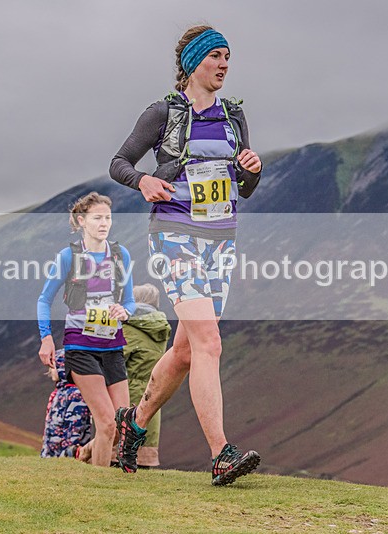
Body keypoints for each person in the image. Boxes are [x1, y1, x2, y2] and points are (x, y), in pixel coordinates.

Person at [110, 25, 263, 485]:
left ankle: (132, 424)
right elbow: (119, 163)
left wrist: (251, 171)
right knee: (209, 343)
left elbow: (245, 188)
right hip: (175, 235)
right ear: (195, 62)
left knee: (184, 351)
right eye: (216, 56)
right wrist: (144, 181)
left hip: (221, 240)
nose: (224, 65)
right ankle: (221, 454)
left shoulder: (234, 117)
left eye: (228, 58)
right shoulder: (163, 113)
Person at [37, 192, 136, 467]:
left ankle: (86, 454)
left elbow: (129, 300)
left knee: (122, 424)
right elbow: (44, 300)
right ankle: (99, 487)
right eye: (97, 218)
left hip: (113, 344)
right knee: (105, 423)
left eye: (108, 218)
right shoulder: (68, 256)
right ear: (82, 221)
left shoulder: (120, 255)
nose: (104, 223)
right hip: (81, 345)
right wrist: (46, 338)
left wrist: (125, 311)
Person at [122, 284, 172, 467]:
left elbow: (117, 358)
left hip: (128, 390)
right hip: (153, 392)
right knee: (146, 439)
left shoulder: (130, 329)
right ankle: (145, 459)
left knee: (122, 435)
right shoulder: (160, 328)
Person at [40, 349, 93, 459]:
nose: (51, 370)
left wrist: (68, 452)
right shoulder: (60, 392)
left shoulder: (76, 395)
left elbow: (75, 426)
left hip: (65, 453)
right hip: (52, 451)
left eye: (54, 366)